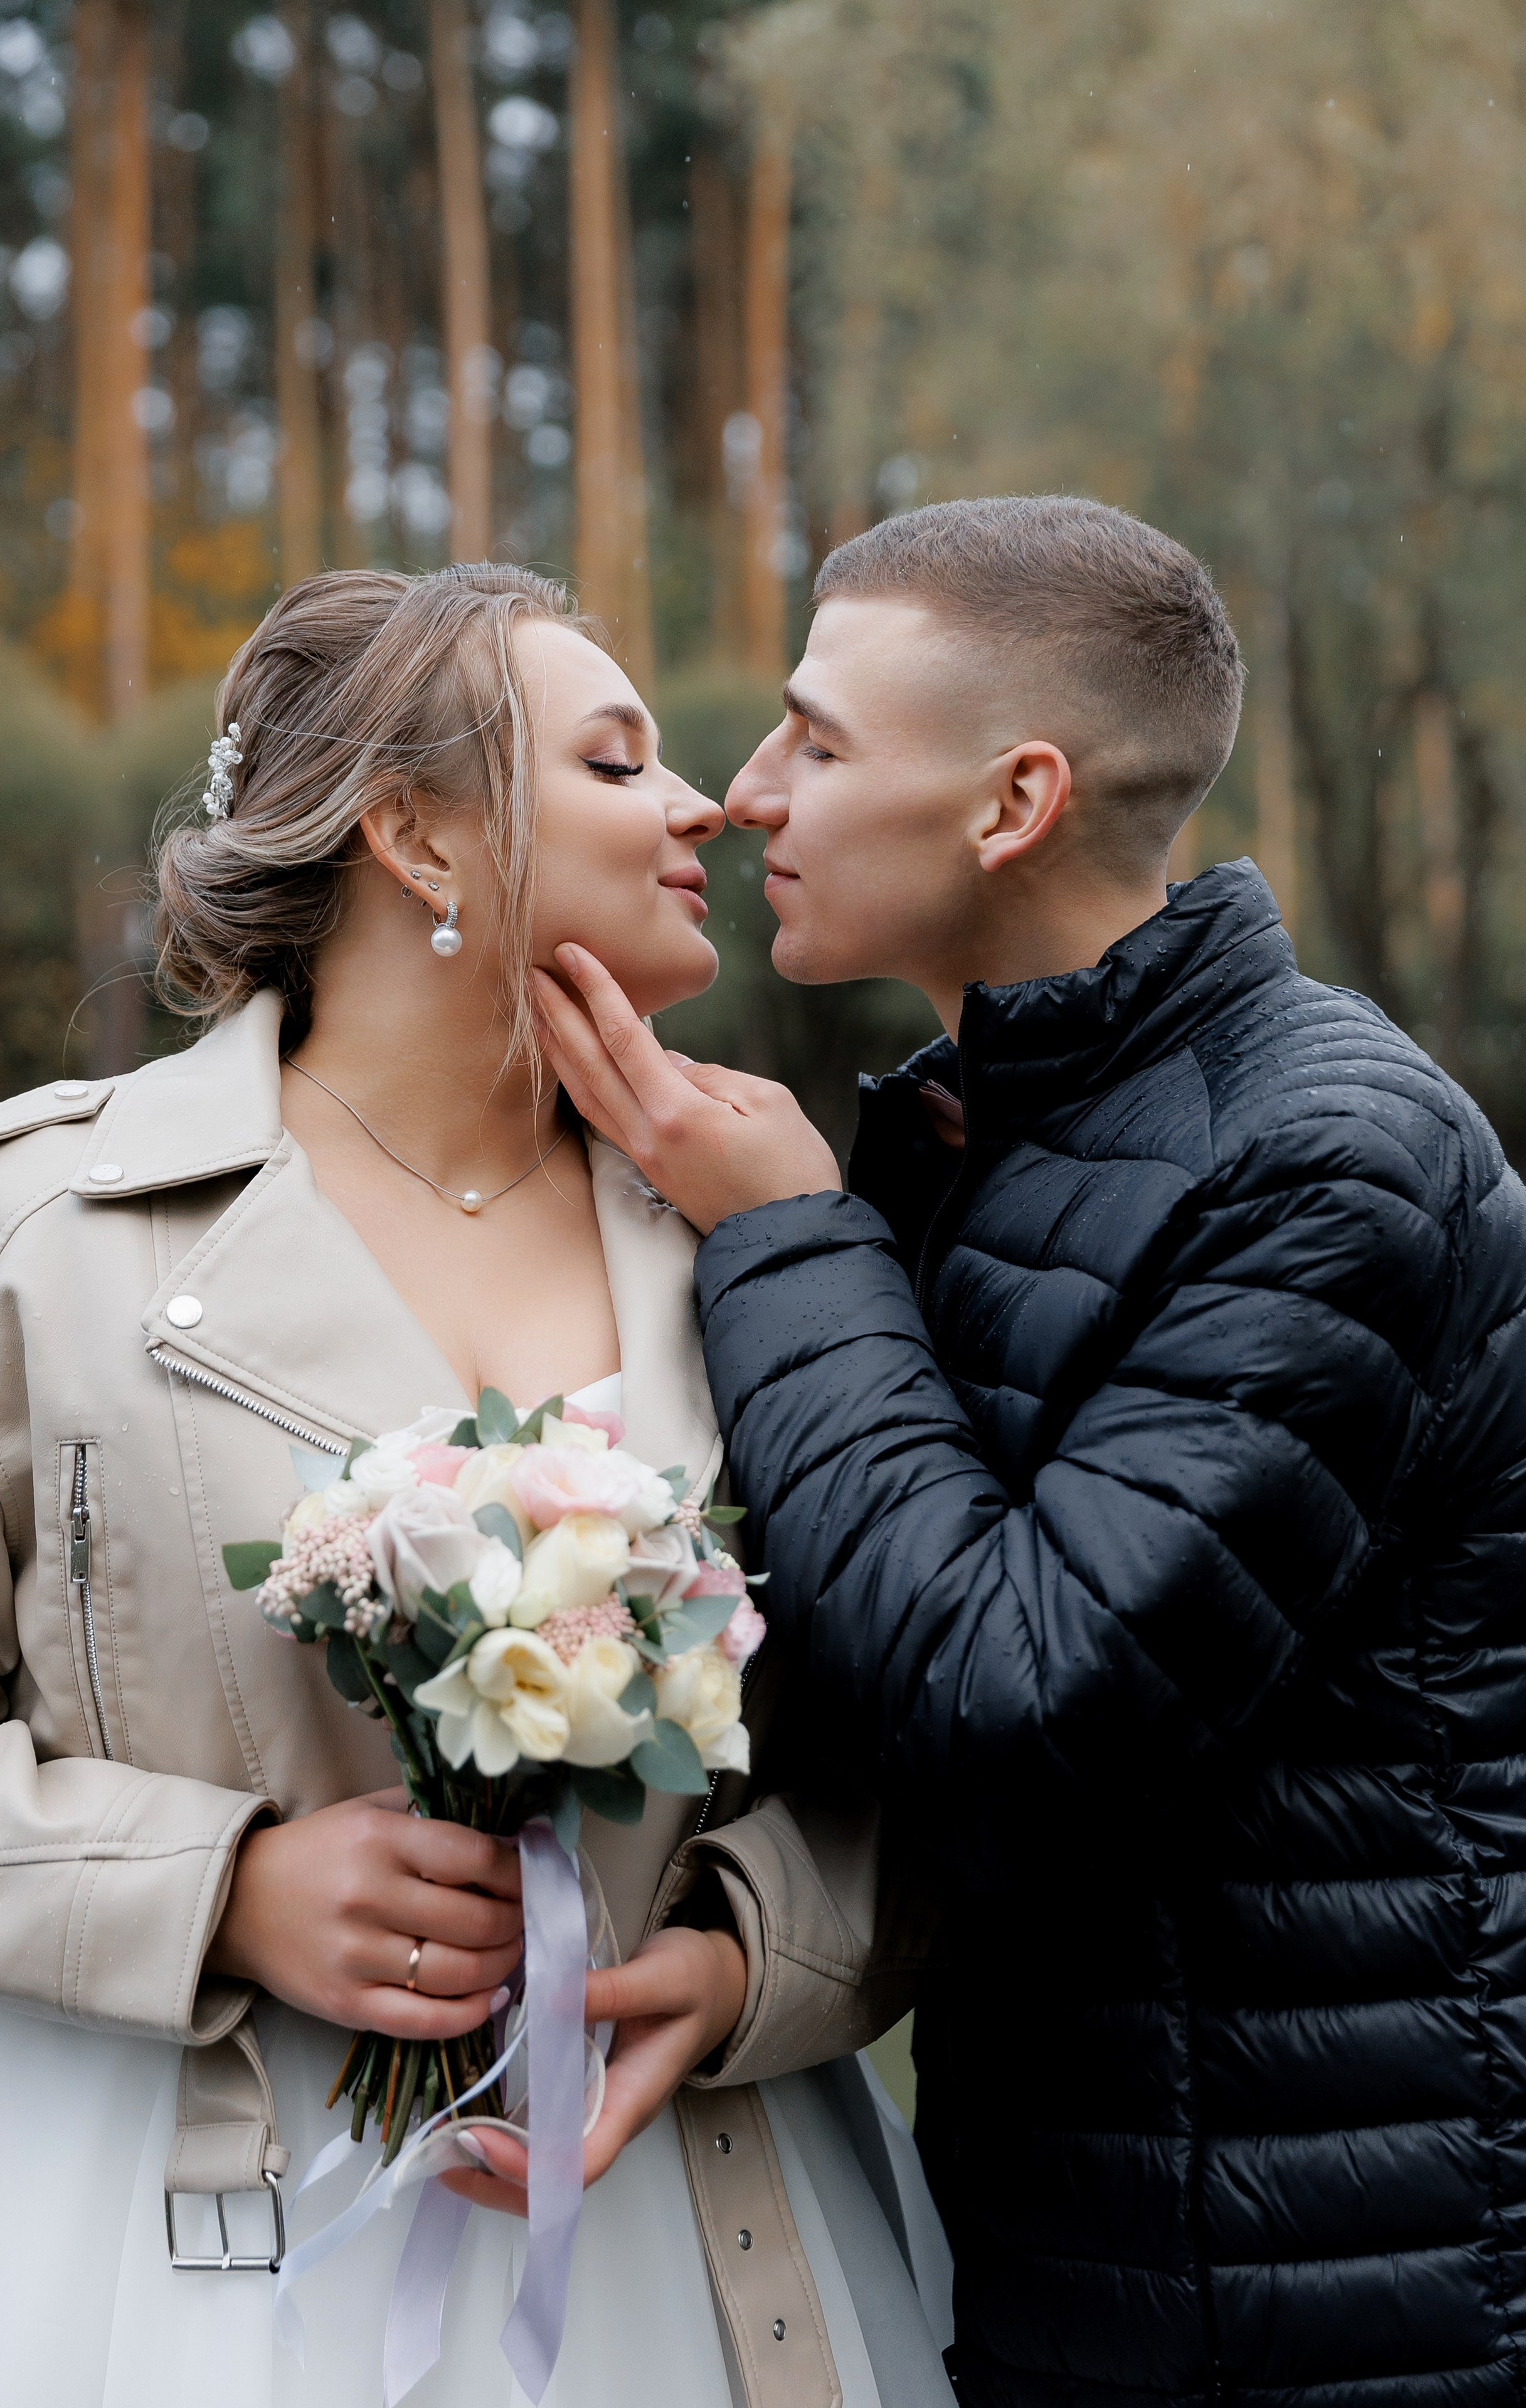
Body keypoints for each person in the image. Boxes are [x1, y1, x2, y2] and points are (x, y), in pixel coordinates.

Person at [0, 565, 953, 2408]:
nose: (705, 801)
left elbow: (920, 1731)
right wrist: (222, 1887)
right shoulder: (24, 1240)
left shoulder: (774, 1241)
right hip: (178, 2242)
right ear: (414, 835)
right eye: (619, 762)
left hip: (689, 2229)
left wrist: (741, 1961)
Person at [534, 495, 1526, 2408]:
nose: (747, 797)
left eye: (817, 744)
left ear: (1014, 804)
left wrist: (781, 1237)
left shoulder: (1334, 1161)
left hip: (1333, 2294)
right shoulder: (978, 1135)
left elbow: (1014, 1695)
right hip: (1080, 2239)